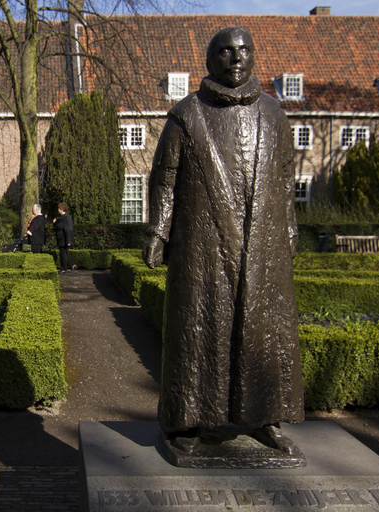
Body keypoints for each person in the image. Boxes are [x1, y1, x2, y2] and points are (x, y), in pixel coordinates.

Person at [143, 27, 304, 464]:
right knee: (199, 329)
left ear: (255, 57)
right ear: (210, 60)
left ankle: (265, 417)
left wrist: (290, 229)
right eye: (225, 52)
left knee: (263, 331)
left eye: (244, 51)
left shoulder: (274, 115)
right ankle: (187, 422)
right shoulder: (186, 116)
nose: (236, 59)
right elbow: (165, 181)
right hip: (202, 243)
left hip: (262, 242)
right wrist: (158, 233)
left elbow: (286, 179)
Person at [53, 203, 76, 273]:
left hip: (64, 239)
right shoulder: (61, 218)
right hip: (61, 238)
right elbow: (59, 226)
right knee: (64, 253)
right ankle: (72, 265)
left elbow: (68, 229)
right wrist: (55, 223)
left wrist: (68, 240)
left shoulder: (67, 218)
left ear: (62, 209)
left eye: (59, 208)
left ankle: (64, 268)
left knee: (63, 254)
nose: (58, 210)